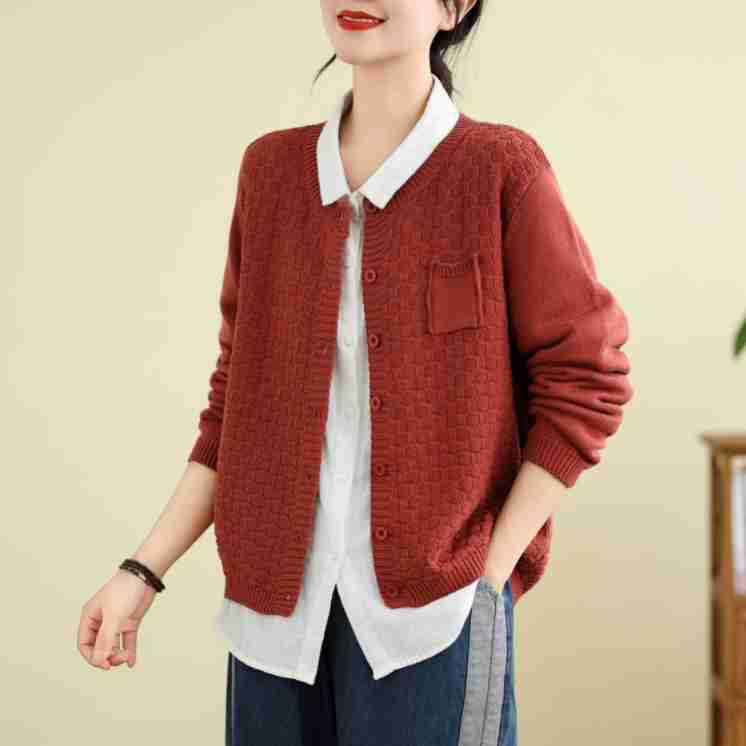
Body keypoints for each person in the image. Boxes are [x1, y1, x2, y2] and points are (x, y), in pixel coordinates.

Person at [77, 1, 634, 744]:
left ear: (454, 6)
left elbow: (588, 378)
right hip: (273, 629)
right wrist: (141, 571)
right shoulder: (270, 175)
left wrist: (490, 574)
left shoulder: (499, 170)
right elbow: (235, 408)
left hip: (436, 624)